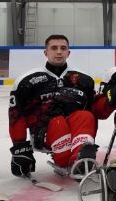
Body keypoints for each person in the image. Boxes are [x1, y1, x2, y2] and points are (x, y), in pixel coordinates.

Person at [9, 35, 99, 180]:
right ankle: (65, 160)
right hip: (43, 131)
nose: (59, 52)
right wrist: (20, 148)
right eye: (54, 48)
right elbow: (15, 115)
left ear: (68, 52)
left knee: (85, 116)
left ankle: (81, 158)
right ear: (46, 52)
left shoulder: (84, 80)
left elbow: (93, 113)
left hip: (74, 128)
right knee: (58, 122)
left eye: (63, 48)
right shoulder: (27, 81)